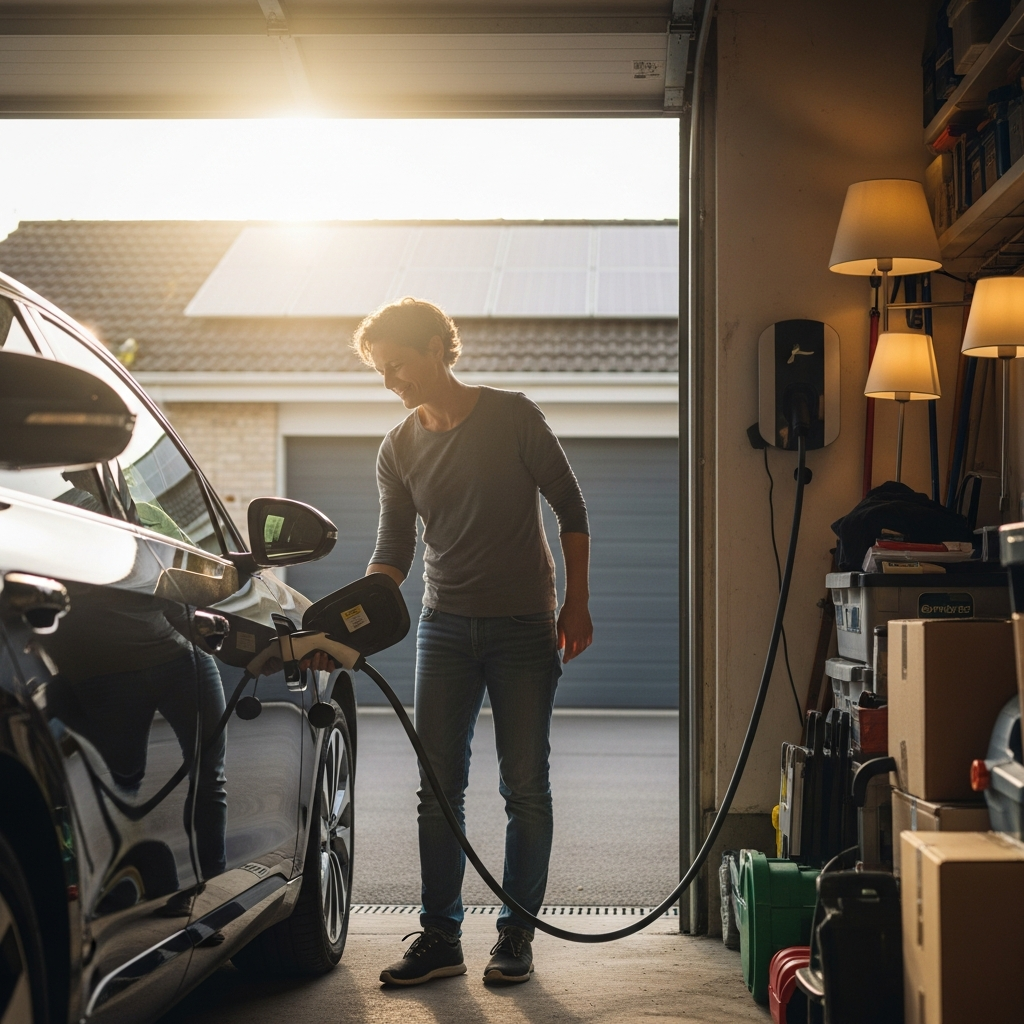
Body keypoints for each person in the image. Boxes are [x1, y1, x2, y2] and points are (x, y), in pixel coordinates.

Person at [356, 297, 593, 986]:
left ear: (436, 348)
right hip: (444, 629)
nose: (391, 381)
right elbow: (393, 550)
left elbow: (569, 506)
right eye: (381, 371)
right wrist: (348, 618)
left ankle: (515, 935)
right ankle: (441, 938)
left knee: (524, 788)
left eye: (397, 365)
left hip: (524, 627)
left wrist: (576, 601)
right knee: (438, 790)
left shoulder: (514, 416)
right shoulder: (397, 446)